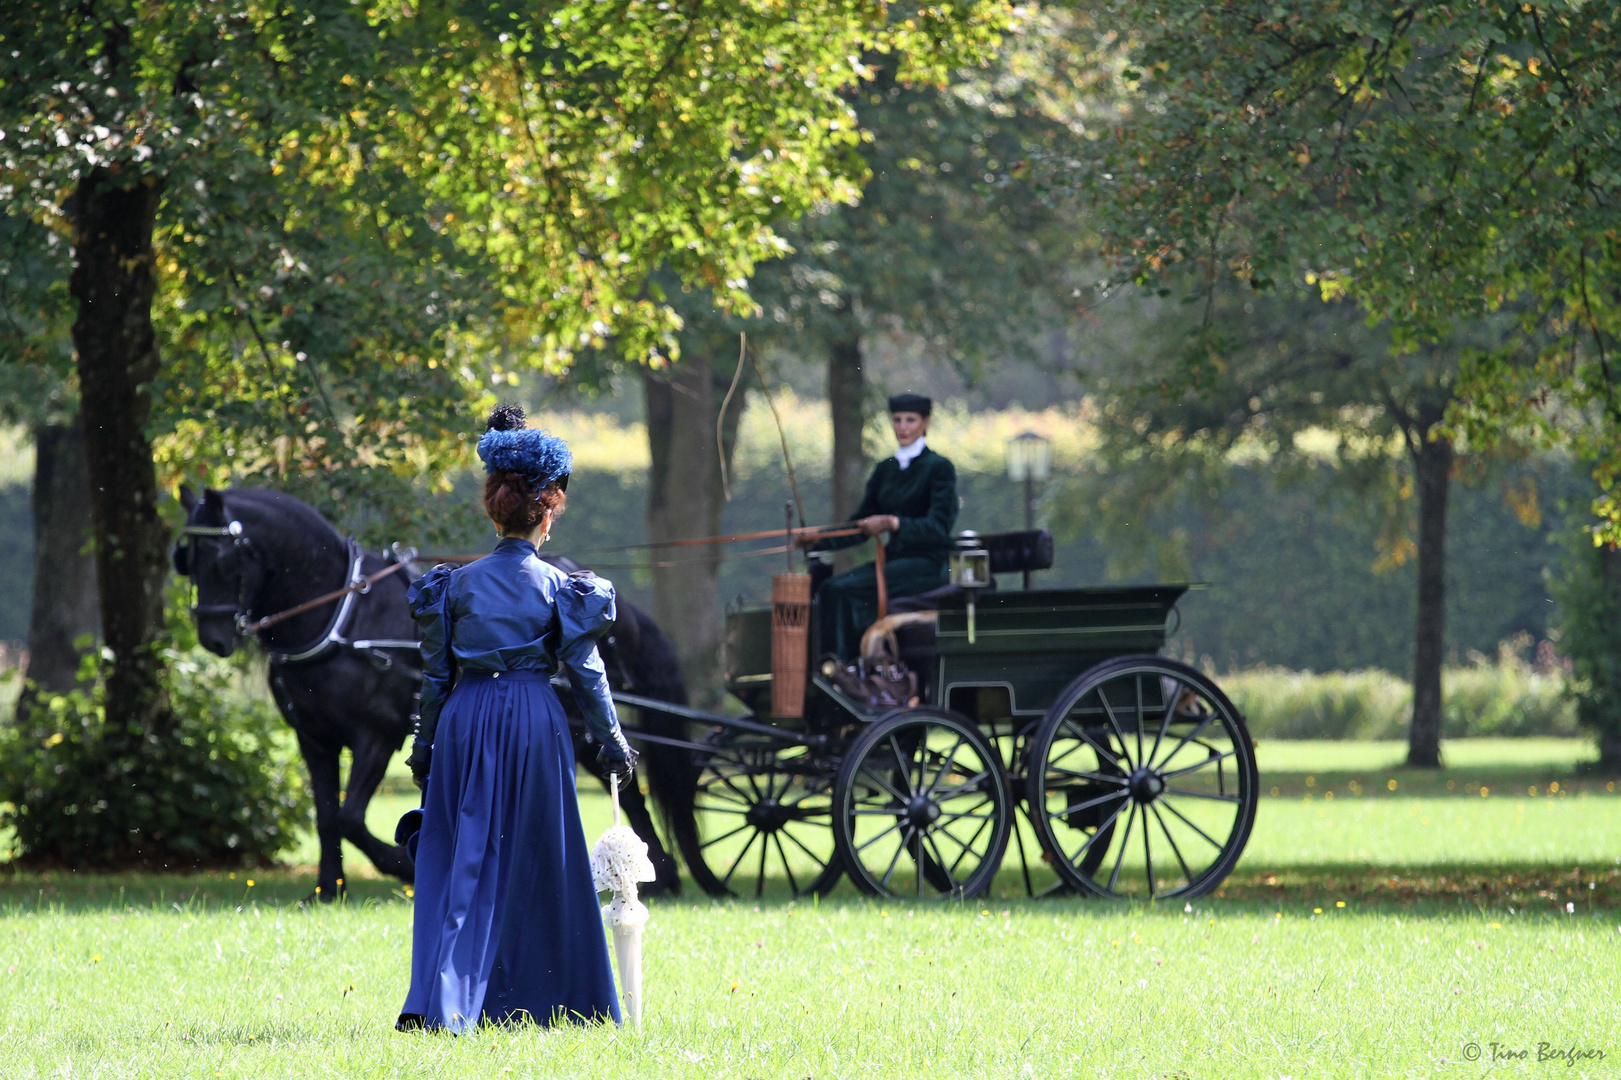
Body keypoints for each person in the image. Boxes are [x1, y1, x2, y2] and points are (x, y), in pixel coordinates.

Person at [397, 404, 637, 1033]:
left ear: (492, 508)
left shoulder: (451, 586)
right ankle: (556, 997)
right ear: (547, 509)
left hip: (465, 719)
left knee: (458, 856)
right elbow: (585, 671)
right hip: (533, 719)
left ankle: (444, 1000)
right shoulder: (562, 589)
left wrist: (424, 745)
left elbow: (434, 679)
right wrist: (612, 741)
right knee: (539, 857)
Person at [803, 393, 958, 658]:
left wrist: (892, 522)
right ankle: (835, 666)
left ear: (925, 423)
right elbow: (860, 523)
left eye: (910, 420)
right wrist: (817, 538)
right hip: (895, 562)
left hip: (929, 564)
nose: (903, 427)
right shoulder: (885, 469)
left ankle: (842, 668)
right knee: (830, 587)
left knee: (838, 588)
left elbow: (938, 526)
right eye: (897, 420)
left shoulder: (939, 467)